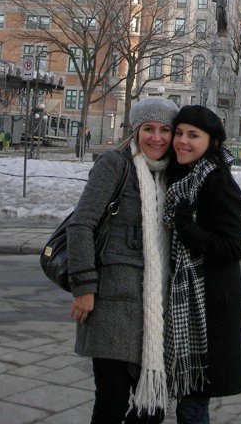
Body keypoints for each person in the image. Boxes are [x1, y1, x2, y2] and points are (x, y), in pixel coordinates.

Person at [67, 97, 180, 424]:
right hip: (112, 306)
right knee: (111, 403)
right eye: (148, 129)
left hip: (155, 310)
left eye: (164, 130)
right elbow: (81, 224)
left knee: (151, 411)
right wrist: (84, 287)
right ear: (136, 131)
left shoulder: (171, 173)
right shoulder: (115, 164)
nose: (156, 138)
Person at [163, 105, 241, 424]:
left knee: (192, 404)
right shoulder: (182, 177)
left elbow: (232, 248)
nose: (182, 141)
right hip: (188, 298)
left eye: (193, 135)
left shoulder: (217, 181)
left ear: (212, 142)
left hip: (208, 305)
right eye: (179, 133)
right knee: (190, 400)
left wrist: (188, 229)